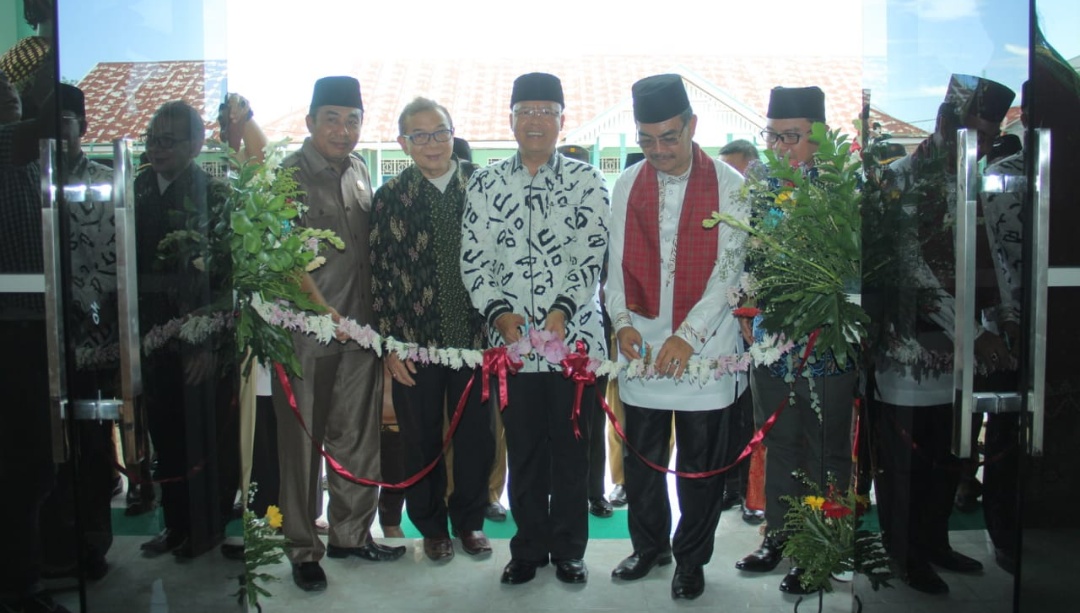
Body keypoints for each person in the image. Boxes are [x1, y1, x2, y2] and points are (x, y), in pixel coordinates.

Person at [866, 75, 1014, 594]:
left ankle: (934, 542)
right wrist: (970, 332)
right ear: (947, 125)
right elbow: (912, 268)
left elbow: (989, 257)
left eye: (990, 140)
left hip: (961, 347)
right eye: (976, 135)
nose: (983, 147)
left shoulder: (970, 180)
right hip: (910, 347)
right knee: (908, 459)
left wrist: (1003, 317)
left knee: (950, 455)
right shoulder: (902, 177)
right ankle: (905, 554)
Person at [460, 72, 609, 586]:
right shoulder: (485, 181)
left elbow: (592, 254)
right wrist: (499, 313)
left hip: (574, 343)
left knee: (571, 447)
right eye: (526, 109)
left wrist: (563, 310)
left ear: (563, 120)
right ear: (511, 120)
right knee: (523, 448)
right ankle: (526, 549)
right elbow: (473, 257)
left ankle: (569, 548)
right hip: (513, 348)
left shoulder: (588, 181)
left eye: (547, 110)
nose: (536, 120)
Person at [605, 74, 748, 601]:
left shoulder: (731, 185)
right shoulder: (628, 183)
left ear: (692, 125)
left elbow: (728, 273)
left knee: (699, 465)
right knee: (641, 458)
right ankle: (649, 547)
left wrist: (687, 335)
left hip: (705, 348)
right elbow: (616, 263)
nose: (658, 151)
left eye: (669, 137)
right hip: (642, 342)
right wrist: (621, 322)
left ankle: (691, 559)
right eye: (647, 139)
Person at [271, 76, 404, 593]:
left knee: (357, 438)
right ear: (309, 122)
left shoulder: (359, 172)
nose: (343, 130)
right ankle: (304, 549)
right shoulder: (287, 177)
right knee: (303, 446)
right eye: (332, 118)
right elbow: (281, 258)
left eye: (353, 120)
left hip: (360, 335)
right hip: (308, 334)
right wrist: (320, 309)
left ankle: (351, 534)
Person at [734, 86, 859, 595]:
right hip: (770, 341)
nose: (782, 146)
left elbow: (855, 267)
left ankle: (823, 548)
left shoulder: (842, 192)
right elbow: (746, 256)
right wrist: (746, 302)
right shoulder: (761, 188)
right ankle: (779, 537)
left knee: (825, 450)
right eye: (774, 135)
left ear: (820, 136)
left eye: (793, 136)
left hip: (827, 340)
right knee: (780, 441)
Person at [371, 96, 493, 562]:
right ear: (403, 143)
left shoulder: (482, 187)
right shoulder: (389, 197)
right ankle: (431, 527)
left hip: (475, 341)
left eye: (440, 132)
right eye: (419, 135)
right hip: (413, 343)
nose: (432, 143)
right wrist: (389, 346)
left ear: (452, 131)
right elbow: (378, 274)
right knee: (420, 439)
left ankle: (470, 522)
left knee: (476, 440)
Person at [133, 100, 240, 560]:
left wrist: (207, 344)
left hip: (201, 342)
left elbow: (226, 281)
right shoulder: (135, 189)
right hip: (150, 337)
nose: (157, 149)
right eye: (152, 139)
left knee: (208, 439)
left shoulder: (214, 195)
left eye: (168, 140)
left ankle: (209, 526)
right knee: (167, 438)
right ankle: (175, 526)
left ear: (197, 145)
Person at [0, 72, 74, 613]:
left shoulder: (28, 166)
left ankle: (35, 569)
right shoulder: (9, 146)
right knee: (22, 464)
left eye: (18, 98)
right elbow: (45, 123)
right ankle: (21, 585)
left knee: (36, 466)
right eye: (8, 100)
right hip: (13, 332)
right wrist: (53, 29)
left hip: (36, 328)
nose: (17, 106)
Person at [36, 83, 116, 581]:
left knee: (89, 448)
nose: (55, 133)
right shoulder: (24, 179)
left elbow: (116, 269)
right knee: (43, 451)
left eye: (64, 122)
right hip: (34, 343)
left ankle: (91, 546)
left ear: (82, 128)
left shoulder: (106, 183)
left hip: (91, 341)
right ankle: (48, 546)